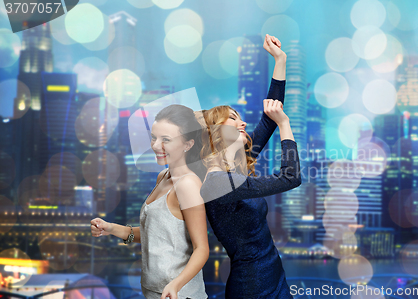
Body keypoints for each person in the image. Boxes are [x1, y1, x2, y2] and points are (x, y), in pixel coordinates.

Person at [199, 34, 301, 298]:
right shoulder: (217, 181)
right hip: (252, 288)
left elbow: (269, 116)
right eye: (233, 119)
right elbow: (291, 177)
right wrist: (285, 125)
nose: (242, 123)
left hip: (275, 277)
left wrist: (280, 60)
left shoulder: (236, 170)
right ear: (215, 133)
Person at [90, 105, 209, 299]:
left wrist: (175, 285)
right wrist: (110, 228)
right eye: (154, 137)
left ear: (188, 144)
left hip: (179, 295)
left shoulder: (188, 185)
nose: (155, 146)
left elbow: (202, 249)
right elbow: (154, 233)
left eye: (166, 140)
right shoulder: (163, 177)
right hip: (155, 292)